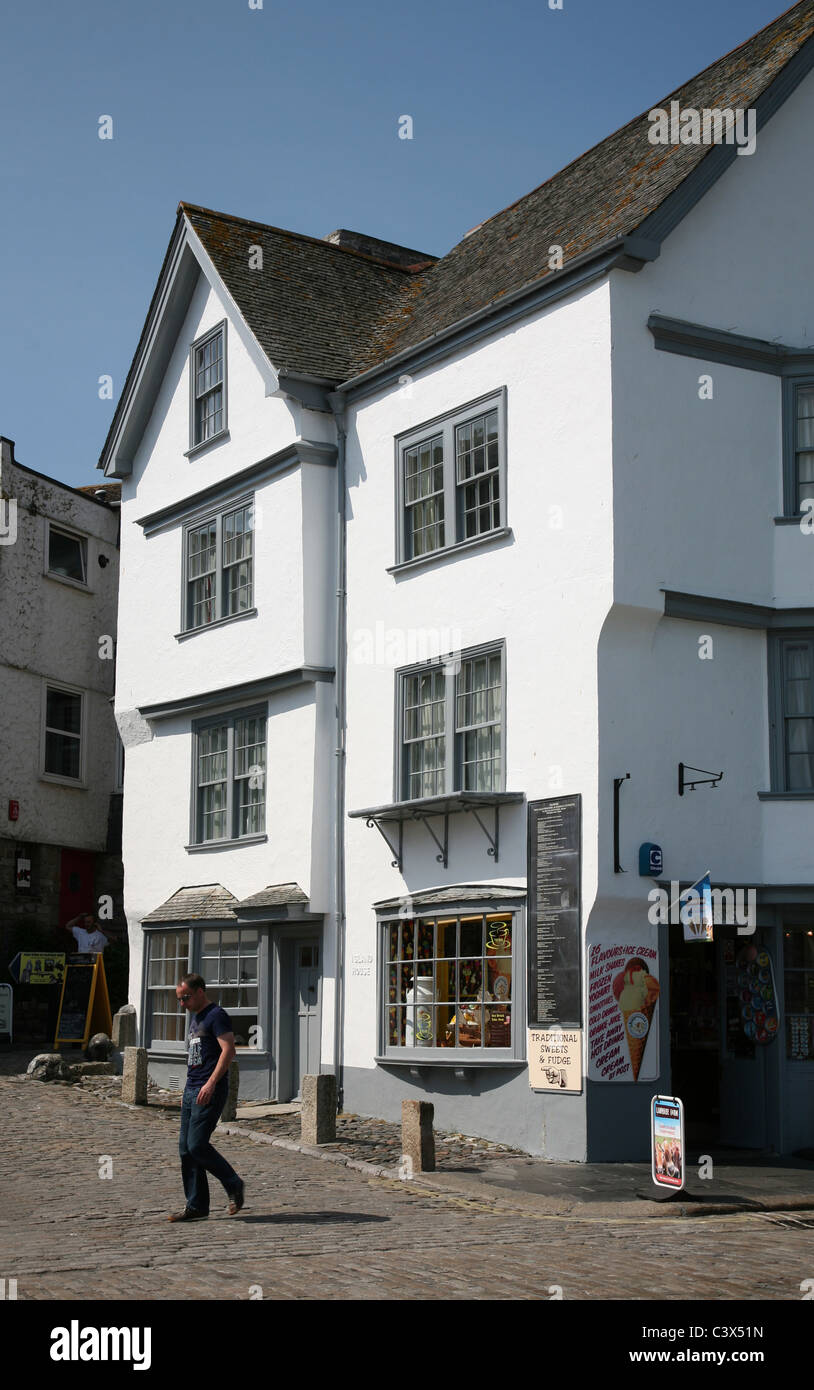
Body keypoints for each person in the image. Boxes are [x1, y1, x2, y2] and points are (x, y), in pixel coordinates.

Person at [168, 973, 245, 1222]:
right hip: (192, 1090)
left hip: (209, 1090)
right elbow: (196, 1058)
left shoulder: (216, 1015)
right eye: (180, 1000)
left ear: (201, 991)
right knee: (185, 1150)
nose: (183, 1004)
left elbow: (228, 1050)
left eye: (186, 998)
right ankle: (197, 1205)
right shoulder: (195, 1017)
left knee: (197, 1145)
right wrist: (186, 1092)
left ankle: (233, 1184)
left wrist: (211, 1083)